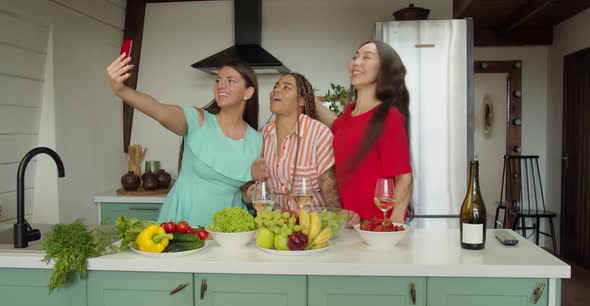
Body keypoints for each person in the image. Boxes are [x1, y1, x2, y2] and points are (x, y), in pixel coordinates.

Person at [106, 54, 262, 226]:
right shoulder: (197, 120)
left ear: (248, 92)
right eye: (218, 80)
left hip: (230, 232)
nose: (221, 86)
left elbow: (246, 193)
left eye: (231, 81)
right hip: (184, 224)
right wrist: (121, 90)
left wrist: (252, 193)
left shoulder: (258, 141)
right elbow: (159, 110)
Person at [315, 41, 414, 224]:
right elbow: (337, 126)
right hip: (352, 224)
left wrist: (393, 226)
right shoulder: (349, 114)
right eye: (355, 57)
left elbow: (404, 177)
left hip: (379, 225)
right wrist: (310, 98)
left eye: (366, 57)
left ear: (384, 70)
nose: (356, 62)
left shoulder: (388, 117)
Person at [249, 73, 342, 212]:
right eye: (276, 86)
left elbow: (330, 190)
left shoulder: (318, 133)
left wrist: (338, 222)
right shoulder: (264, 134)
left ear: (301, 101)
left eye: (287, 87)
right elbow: (260, 187)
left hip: (312, 225)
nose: (277, 90)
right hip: (276, 224)